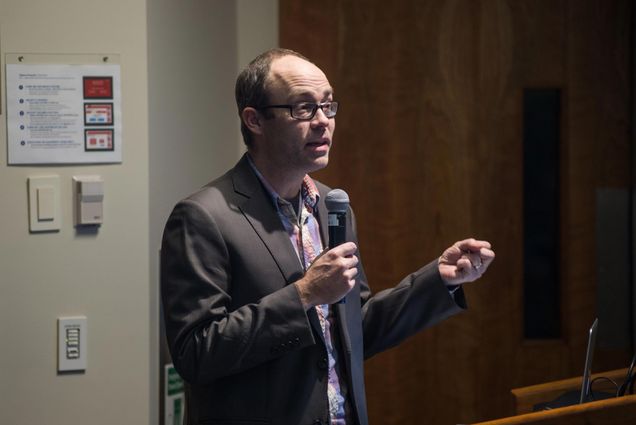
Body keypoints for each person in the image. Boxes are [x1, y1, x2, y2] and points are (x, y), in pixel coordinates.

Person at [161, 48, 495, 425]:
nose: (323, 122)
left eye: (328, 106)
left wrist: (438, 280)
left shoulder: (331, 206)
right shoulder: (204, 216)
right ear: (254, 120)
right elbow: (195, 355)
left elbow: (354, 329)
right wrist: (303, 295)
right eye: (303, 108)